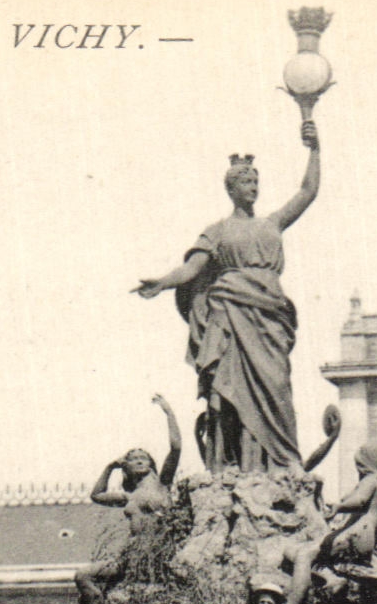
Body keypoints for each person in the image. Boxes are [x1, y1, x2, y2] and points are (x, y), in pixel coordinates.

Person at [136, 122, 320, 472]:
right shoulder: (217, 231)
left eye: (255, 181)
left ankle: (281, 461)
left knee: (277, 387)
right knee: (230, 393)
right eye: (245, 181)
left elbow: (308, 191)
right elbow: (192, 268)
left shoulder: (272, 224)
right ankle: (236, 465)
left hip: (269, 316)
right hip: (231, 316)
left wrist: (315, 149)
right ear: (231, 188)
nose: (253, 187)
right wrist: (163, 282)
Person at [75, 394, 182, 604]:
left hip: (159, 551)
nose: (139, 460)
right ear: (127, 468)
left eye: (144, 458)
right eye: (133, 459)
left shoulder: (163, 484)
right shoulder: (128, 497)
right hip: (131, 554)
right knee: (83, 576)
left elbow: (175, 448)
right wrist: (110, 467)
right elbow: (97, 495)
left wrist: (168, 412)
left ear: (151, 464)